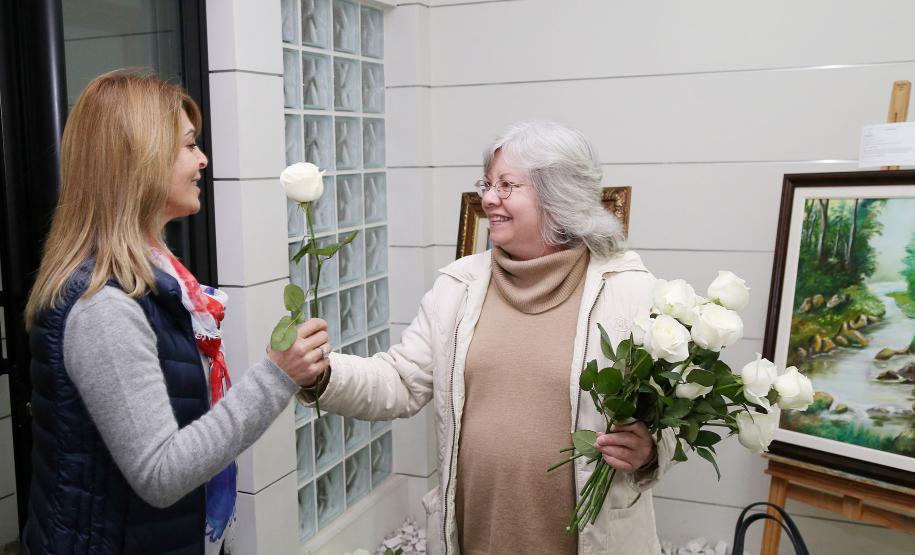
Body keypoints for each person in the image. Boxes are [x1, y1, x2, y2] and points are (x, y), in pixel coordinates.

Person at [297, 121, 677, 554]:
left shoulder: (629, 291)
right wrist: (322, 374)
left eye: (507, 185)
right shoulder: (457, 287)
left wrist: (648, 449)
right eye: (488, 183)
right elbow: (401, 381)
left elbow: (666, 417)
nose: (488, 198)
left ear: (559, 198)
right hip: (480, 535)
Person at [21, 70, 331, 555]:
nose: (203, 159)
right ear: (140, 160)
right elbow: (161, 474)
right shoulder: (104, 308)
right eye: (189, 146)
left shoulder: (156, 277)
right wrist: (276, 376)